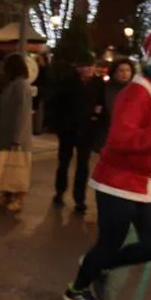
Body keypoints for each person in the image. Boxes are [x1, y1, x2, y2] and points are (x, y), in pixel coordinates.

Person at [63, 29, 151, 300]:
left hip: (150, 181)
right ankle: (77, 289)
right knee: (109, 243)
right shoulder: (137, 92)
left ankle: (102, 265)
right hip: (119, 182)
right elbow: (120, 141)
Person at [49, 51, 106, 215]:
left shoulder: (98, 83)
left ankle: (79, 199)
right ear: (78, 68)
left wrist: (96, 118)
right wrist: (58, 124)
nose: (89, 70)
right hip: (68, 129)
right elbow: (56, 103)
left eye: (91, 66)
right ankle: (60, 191)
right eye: (85, 66)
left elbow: (101, 104)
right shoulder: (67, 81)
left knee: (83, 165)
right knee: (63, 162)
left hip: (87, 129)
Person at [0, 52, 34, 214]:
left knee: (18, 167)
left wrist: (17, 138)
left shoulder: (21, 85)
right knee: (7, 166)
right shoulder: (12, 83)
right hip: (7, 132)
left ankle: (18, 198)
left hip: (17, 136)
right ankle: (6, 195)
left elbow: (23, 112)